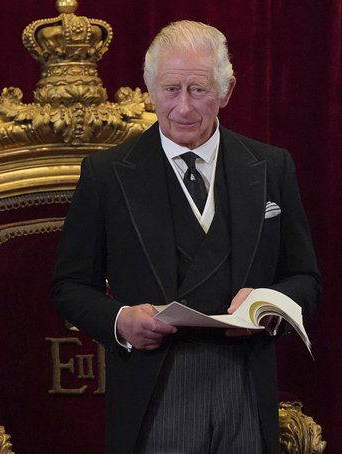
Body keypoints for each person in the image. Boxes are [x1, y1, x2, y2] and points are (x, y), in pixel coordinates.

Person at [50, 20, 320, 454]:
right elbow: (69, 286)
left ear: (226, 91)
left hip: (246, 385)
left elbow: (306, 280)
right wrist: (121, 320)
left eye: (198, 90)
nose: (184, 108)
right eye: (171, 89)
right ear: (150, 89)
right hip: (154, 388)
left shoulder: (272, 167)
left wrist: (268, 303)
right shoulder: (107, 175)